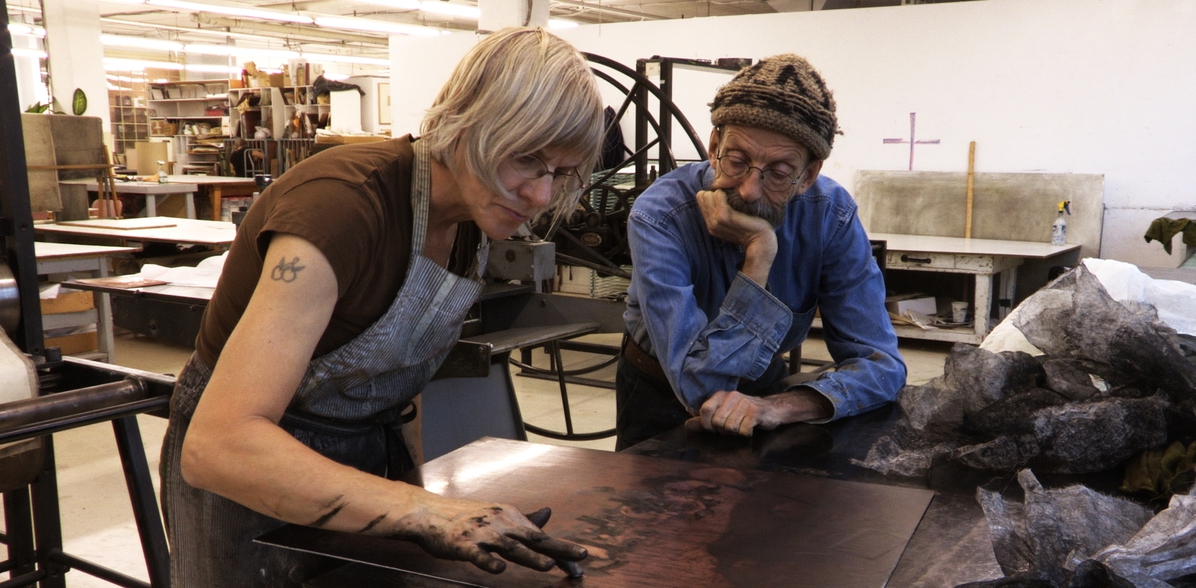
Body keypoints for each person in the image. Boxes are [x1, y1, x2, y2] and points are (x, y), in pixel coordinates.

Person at [160, 27, 605, 587]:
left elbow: (395, 370)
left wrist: (413, 495)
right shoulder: (341, 211)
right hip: (255, 473)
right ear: (466, 122)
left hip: (367, 455)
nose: (541, 197)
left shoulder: (469, 221)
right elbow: (220, 445)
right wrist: (424, 511)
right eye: (525, 160)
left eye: (560, 174)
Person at [615, 54, 906, 451]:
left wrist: (781, 407)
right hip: (656, 392)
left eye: (779, 172)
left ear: (809, 174)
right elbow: (703, 388)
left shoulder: (831, 217)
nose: (749, 189)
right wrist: (760, 253)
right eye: (736, 161)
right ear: (714, 144)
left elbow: (882, 367)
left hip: (762, 393)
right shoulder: (661, 216)